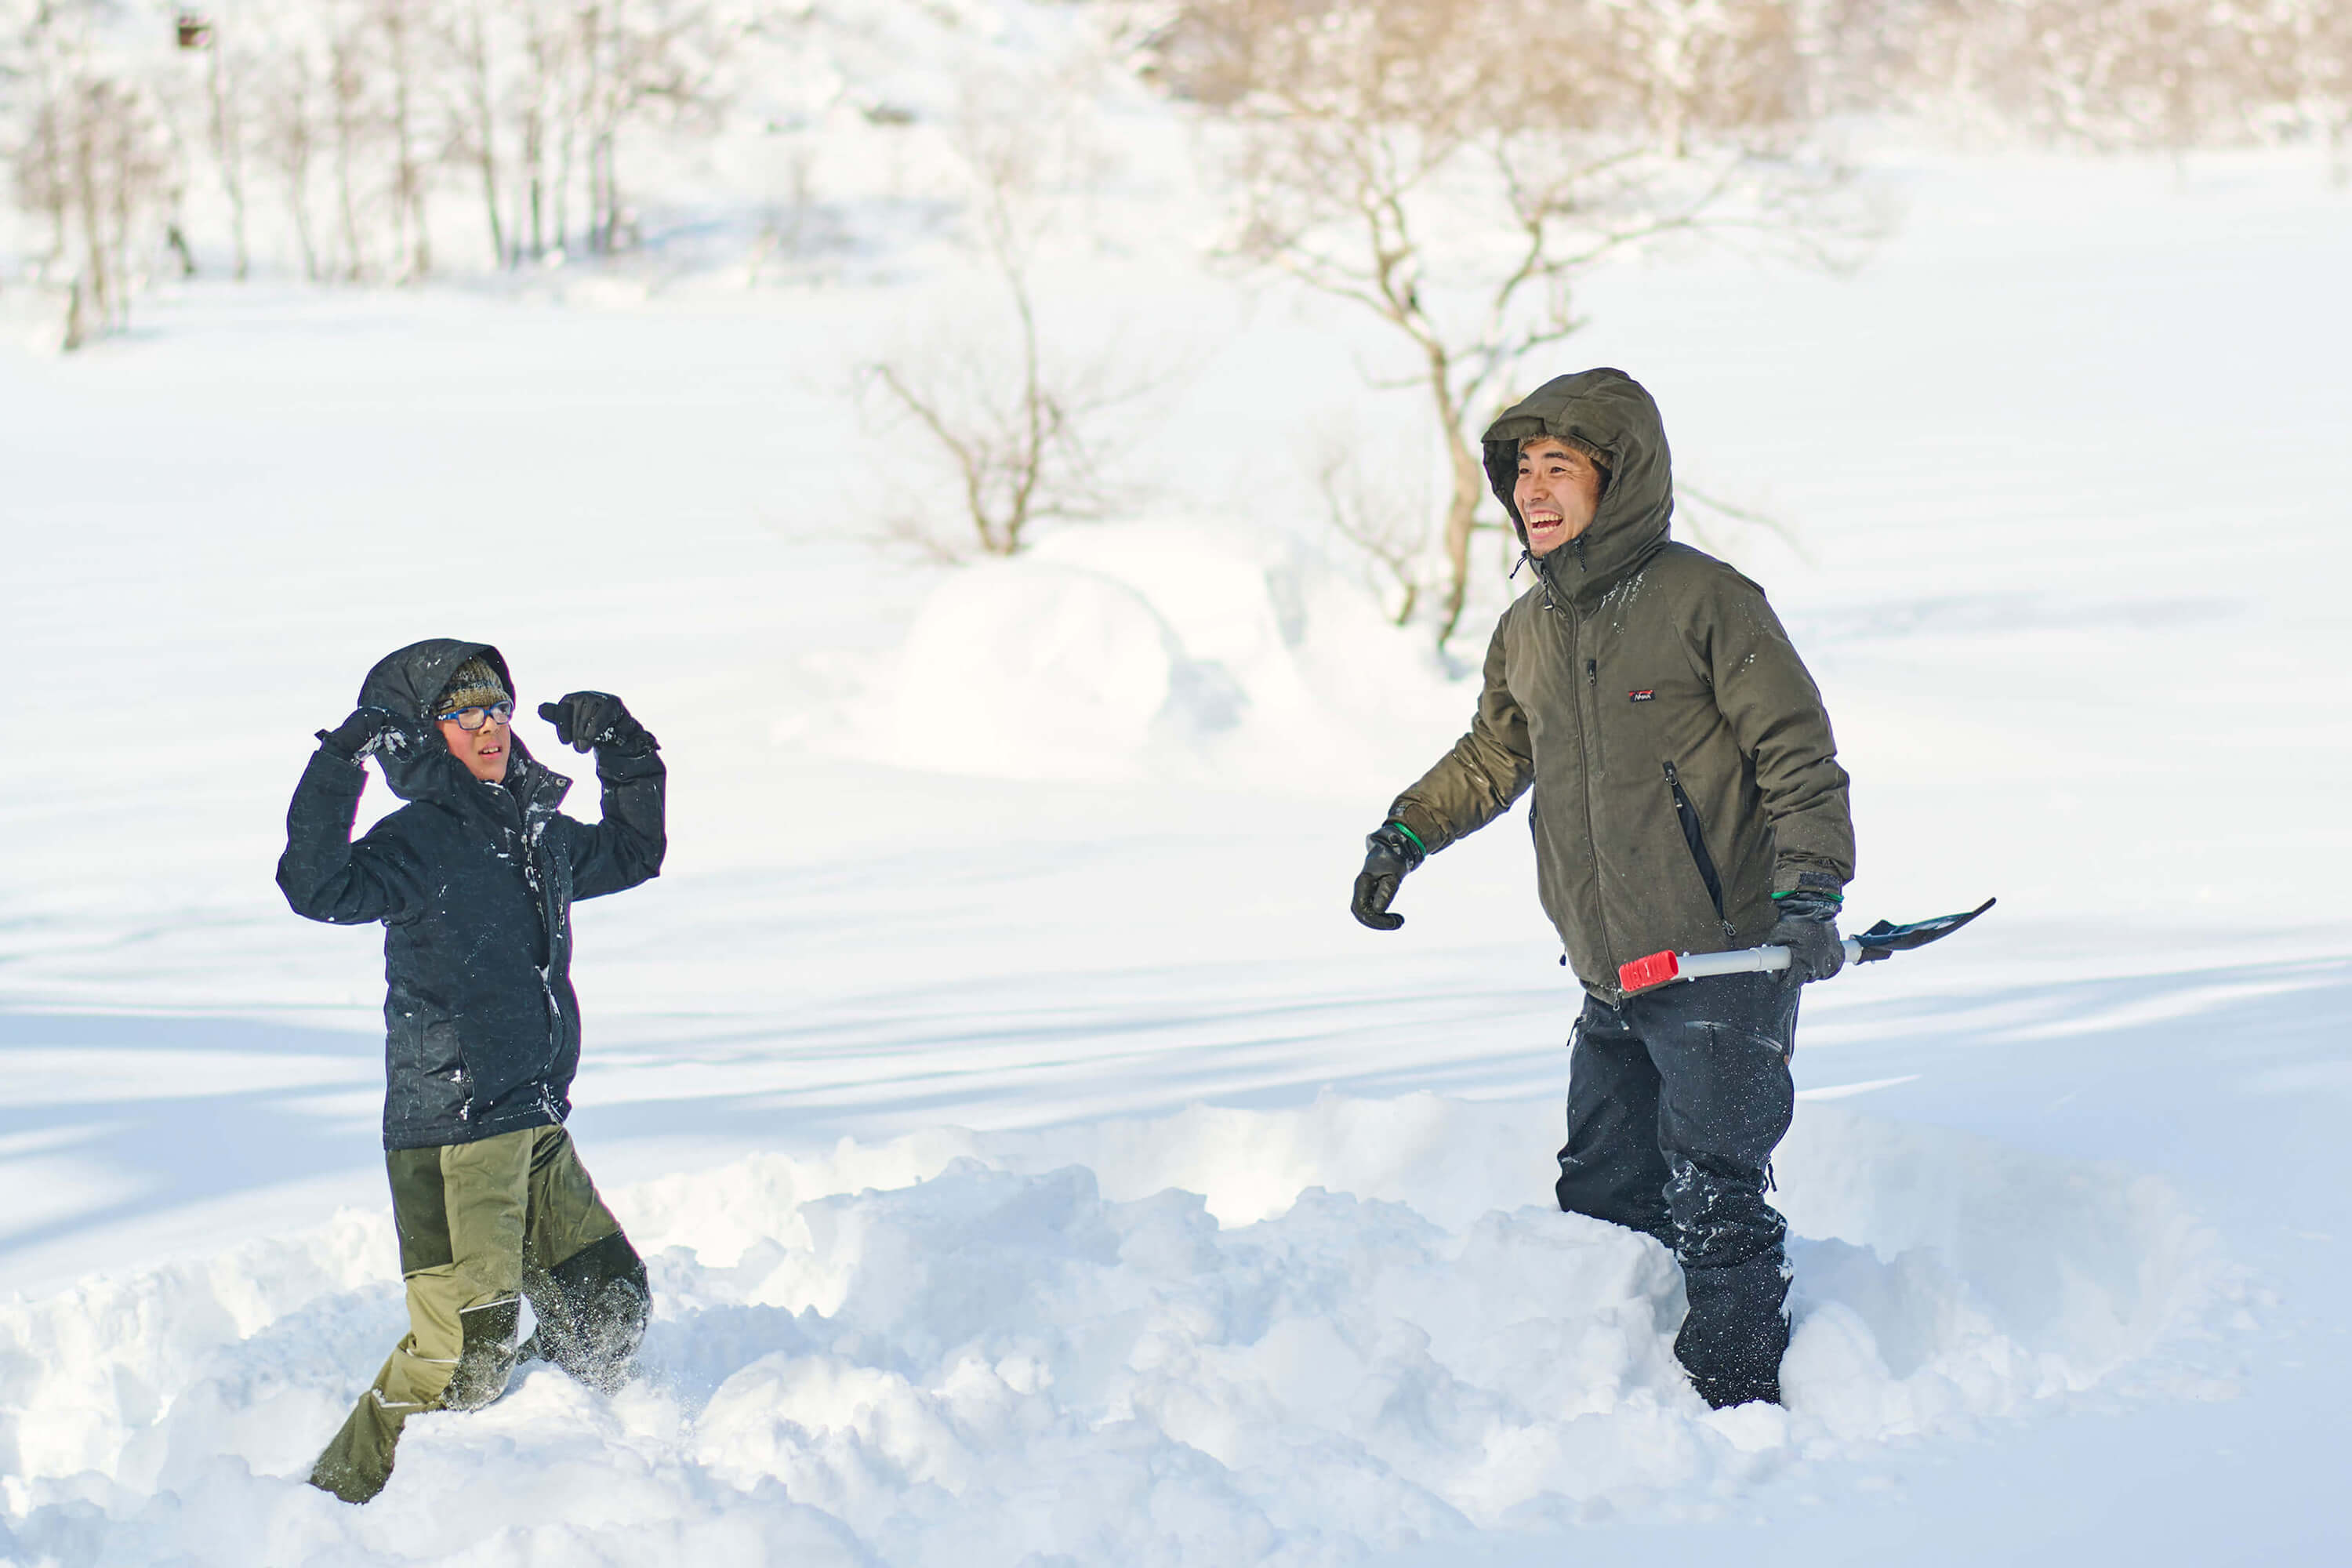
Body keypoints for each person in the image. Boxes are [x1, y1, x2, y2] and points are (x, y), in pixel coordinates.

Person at [1350, 368, 1853, 1409]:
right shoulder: (1529, 629)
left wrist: (1810, 894)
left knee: (1717, 1194)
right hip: (1614, 974)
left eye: (1559, 468)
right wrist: (1405, 832)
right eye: (1523, 472)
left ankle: (1739, 1411)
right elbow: (1495, 753)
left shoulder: (1705, 602)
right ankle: (1618, 1396)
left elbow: (1795, 753)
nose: (1533, 490)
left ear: (1615, 480)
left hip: (1723, 961)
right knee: (1602, 1194)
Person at [278, 639, 667, 1501]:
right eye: (464, 712)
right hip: (452, 1129)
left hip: (530, 1116)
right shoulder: (415, 840)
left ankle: (536, 1445)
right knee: (459, 1349)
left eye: (498, 706)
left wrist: (626, 747)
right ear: (423, 734)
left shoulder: (533, 830)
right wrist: (340, 760)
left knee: (606, 1304)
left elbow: (635, 854)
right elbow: (315, 884)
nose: (490, 726)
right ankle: (333, 1503)